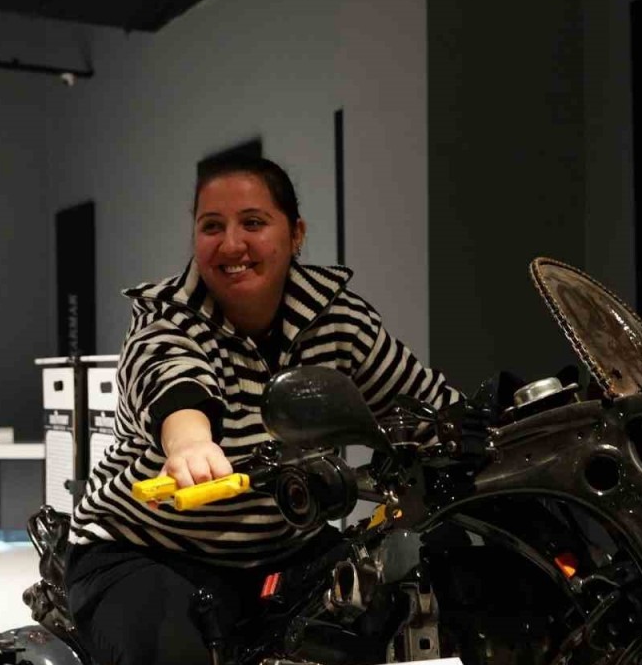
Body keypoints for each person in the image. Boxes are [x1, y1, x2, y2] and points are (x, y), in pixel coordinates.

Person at [64, 155, 462, 664]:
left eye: (253, 222)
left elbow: (424, 405)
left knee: (390, 619)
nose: (232, 244)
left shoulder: (338, 321)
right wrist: (190, 445)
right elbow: (173, 382)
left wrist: (488, 431)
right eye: (212, 226)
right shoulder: (166, 319)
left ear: (295, 233)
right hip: (146, 550)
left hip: (288, 552)